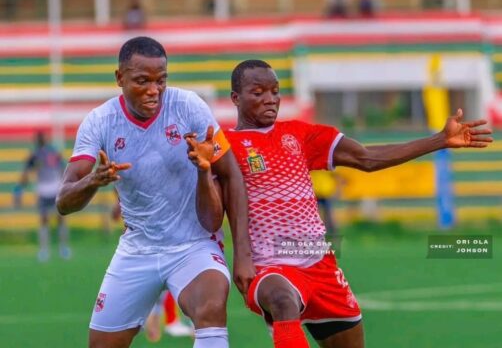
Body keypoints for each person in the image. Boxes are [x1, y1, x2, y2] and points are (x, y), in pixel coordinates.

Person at [224, 59, 493, 348]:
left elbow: (366, 158)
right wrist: (241, 255)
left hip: (319, 264)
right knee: (282, 300)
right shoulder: (225, 145)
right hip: (270, 264)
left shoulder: (299, 134)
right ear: (236, 98)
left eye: (275, 91)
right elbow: (216, 208)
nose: (270, 99)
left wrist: (439, 140)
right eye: (259, 92)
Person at [56, 36, 254, 348]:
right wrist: (93, 180)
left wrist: (243, 254)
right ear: (119, 78)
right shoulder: (100, 122)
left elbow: (231, 176)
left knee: (211, 308)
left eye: (161, 80)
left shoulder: (188, 107)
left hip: (194, 245)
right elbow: (64, 201)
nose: (154, 90)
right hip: (138, 250)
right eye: (142, 81)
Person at [14, 131, 70, 262]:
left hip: (52, 188)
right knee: (50, 219)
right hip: (48, 189)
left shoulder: (48, 153)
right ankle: (49, 249)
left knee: (54, 219)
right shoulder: (40, 154)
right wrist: (19, 189)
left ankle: (58, 248)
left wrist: (19, 190)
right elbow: (26, 173)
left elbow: (63, 169)